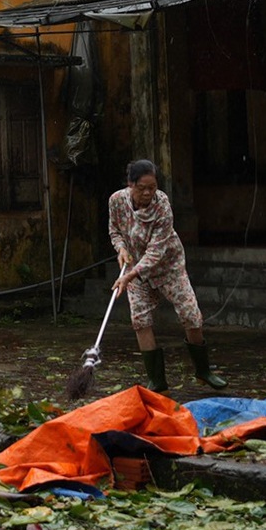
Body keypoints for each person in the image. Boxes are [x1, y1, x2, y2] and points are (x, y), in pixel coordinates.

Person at [108, 158, 225, 392]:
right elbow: (115, 230)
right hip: (136, 271)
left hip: (167, 266)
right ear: (130, 184)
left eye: (152, 187)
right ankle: (157, 379)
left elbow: (156, 251)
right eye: (142, 188)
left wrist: (128, 276)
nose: (148, 193)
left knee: (191, 314)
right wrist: (121, 248)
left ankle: (203, 371)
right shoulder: (116, 201)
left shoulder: (162, 205)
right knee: (140, 320)